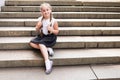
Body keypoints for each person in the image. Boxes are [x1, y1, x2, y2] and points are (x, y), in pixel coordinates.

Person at [29, 3, 59, 74]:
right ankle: (47, 49)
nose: (46, 12)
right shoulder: (40, 19)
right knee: (31, 43)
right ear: (41, 12)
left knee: (41, 44)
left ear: (50, 10)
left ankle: (48, 63)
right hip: (42, 36)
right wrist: (38, 27)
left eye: (47, 10)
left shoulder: (53, 21)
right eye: (44, 10)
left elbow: (57, 32)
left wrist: (51, 30)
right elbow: (37, 29)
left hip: (50, 37)